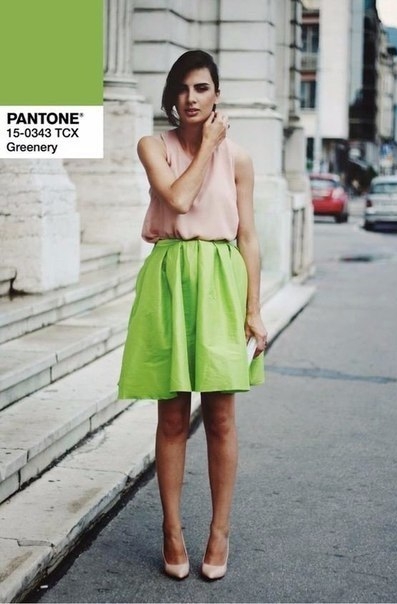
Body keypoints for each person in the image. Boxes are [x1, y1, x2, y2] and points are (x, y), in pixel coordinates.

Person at [118, 49, 267, 581]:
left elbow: (248, 236)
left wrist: (254, 309)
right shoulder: (152, 146)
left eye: (201, 88)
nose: (191, 98)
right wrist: (207, 147)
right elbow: (179, 199)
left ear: (216, 94)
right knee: (174, 416)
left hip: (222, 281)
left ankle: (219, 531)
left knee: (221, 416)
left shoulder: (240, 159)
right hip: (170, 280)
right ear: (171, 96)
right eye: (182, 89)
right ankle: (173, 529)